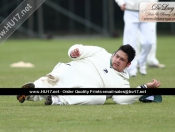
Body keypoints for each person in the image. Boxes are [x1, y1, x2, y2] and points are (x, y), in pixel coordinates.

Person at [17, 44, 161, 105]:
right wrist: (74, 51)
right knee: (49, 82)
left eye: (122, 60)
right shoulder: (100, 52)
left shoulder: (122, 82)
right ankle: (29, 92)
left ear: (128, 65)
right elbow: (78, 49)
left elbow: (122, 99)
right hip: (70, 71)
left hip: (86, 88)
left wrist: (144, 88)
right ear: (114, 53)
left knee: (100, 98)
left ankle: (56, 100)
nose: (117, 60)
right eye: (116, 56)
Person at [114, 0, 165, 77]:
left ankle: (141, 62)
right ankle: (131, 69)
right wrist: (121, 2)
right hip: (130, 11)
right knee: (130, 42)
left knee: (149, 42)